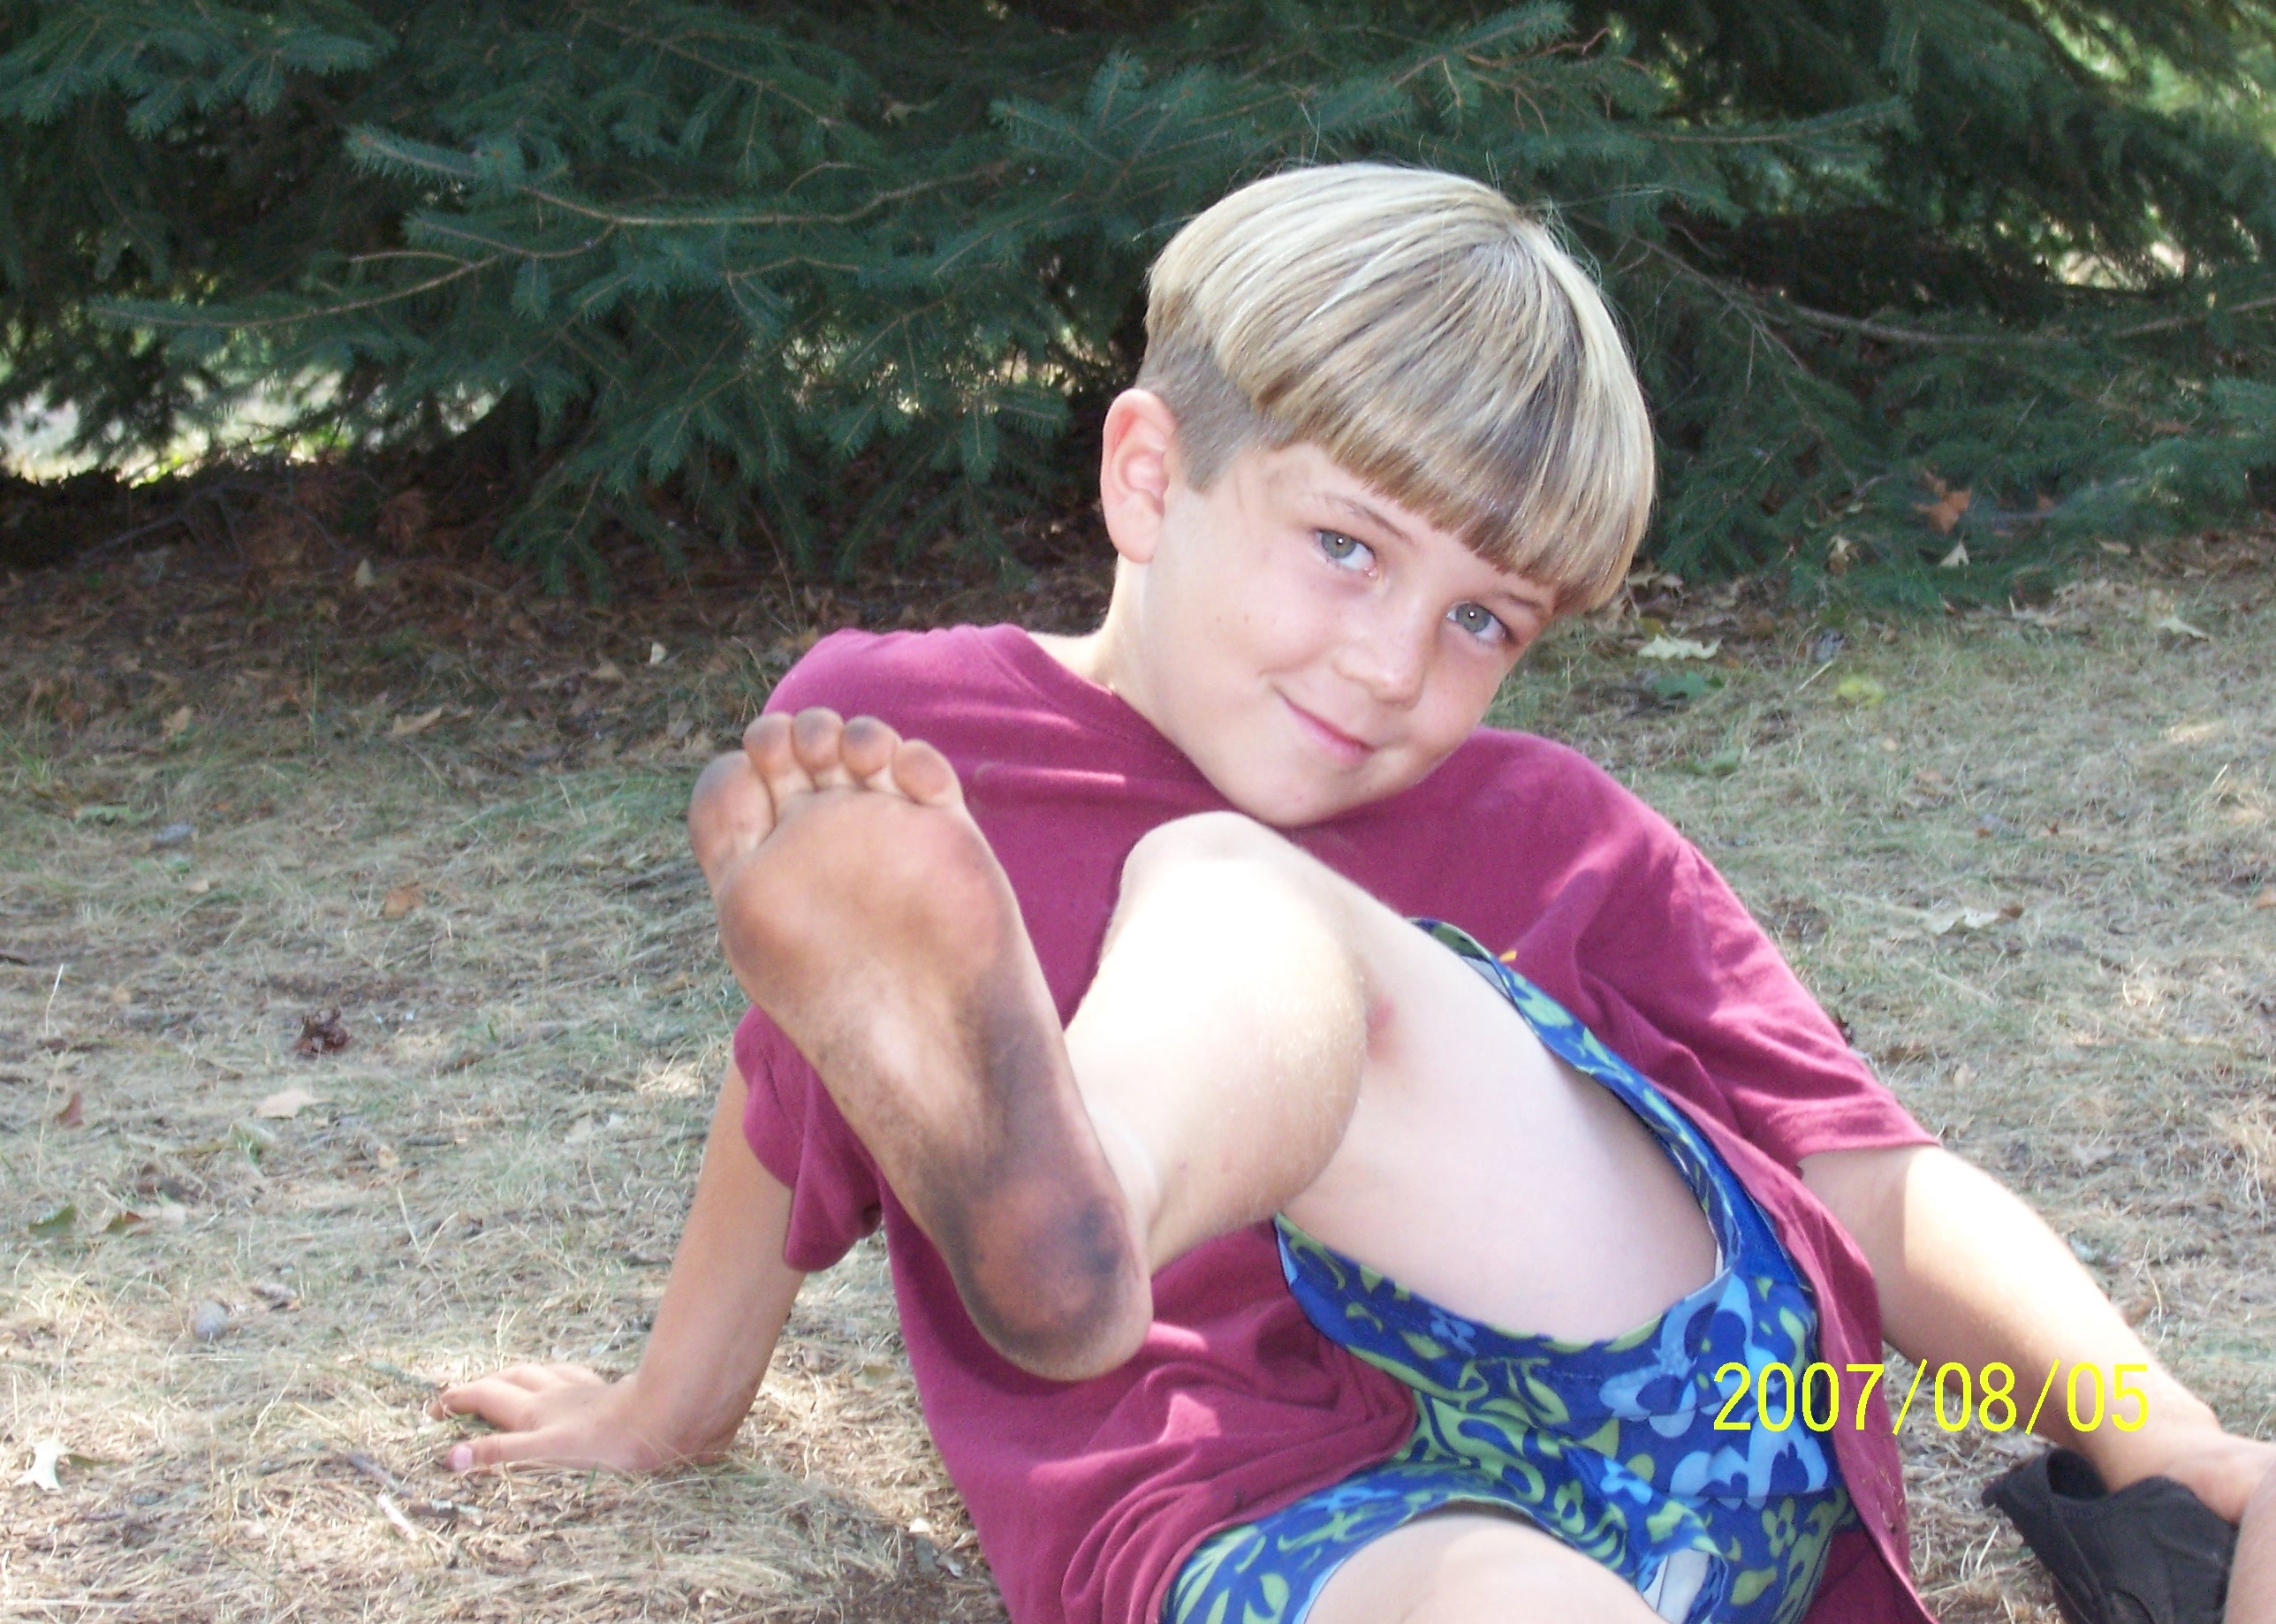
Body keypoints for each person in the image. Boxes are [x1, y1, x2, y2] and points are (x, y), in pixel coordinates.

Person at [436, 165, 2272, 1624]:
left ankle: (1090, 1197)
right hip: (1264, 1522)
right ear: (1150, 475)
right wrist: (667, 1411)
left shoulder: (1550, 827)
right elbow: (800, 1085)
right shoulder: (916, 765)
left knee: (1238, 897)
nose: (1395, 664)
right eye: (1343, 546)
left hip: (1692, 1412)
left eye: (1482, 617)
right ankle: (1078, 1203)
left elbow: (1865, 1179)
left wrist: (2164, 1441)